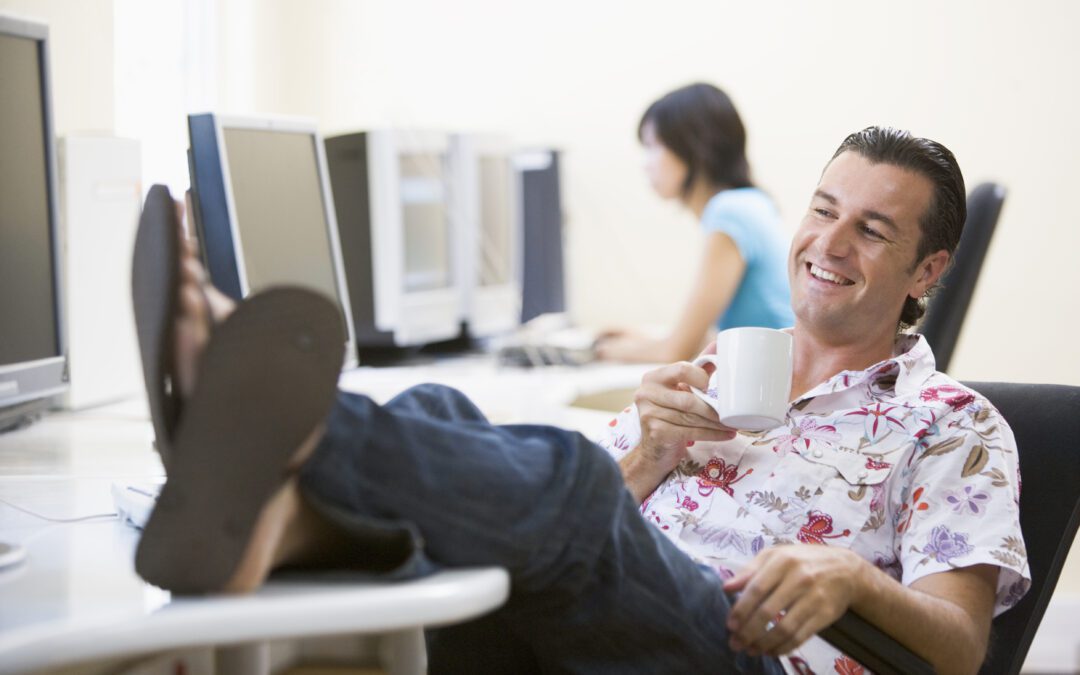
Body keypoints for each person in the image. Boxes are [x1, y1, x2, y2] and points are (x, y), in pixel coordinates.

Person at [133, 126, 1029, 675]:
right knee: (447, 408)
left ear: (927, 271)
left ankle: (272, 417)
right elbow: (551, 520)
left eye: (871, 229)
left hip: (746, 653)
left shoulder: (956, 423)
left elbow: (959, 646)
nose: (829, 241)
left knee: (563, 481)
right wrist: (648, 455)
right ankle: (282, 513)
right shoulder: (725, 364)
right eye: (824, 208)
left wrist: (851, 575)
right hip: (607, 613)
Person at [594, 83, 794, 364]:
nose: (646, 164)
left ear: (692, 147)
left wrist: (597, 351)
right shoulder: (751, 203)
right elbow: (714, 338)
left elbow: (675, 353)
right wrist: (646, 342)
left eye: (653, 146)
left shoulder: (729, 212)